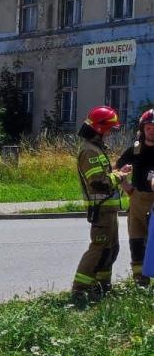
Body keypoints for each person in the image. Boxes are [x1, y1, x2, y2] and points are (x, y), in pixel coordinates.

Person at [71, 106, 131, 304]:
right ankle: (80, 291)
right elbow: (98, 183)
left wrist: (117, 171)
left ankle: (102, 287)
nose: (111, 133)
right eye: (110, 129)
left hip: (108, 210)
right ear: (99, 128)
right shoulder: (89, 150)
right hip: (101, 210)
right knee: (99, 249)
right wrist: (119, 175)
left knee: (111, 250)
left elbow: (103, 176)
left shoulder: (96, 148)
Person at [116, 107, 154, 285]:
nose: (151, 130)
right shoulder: (136, 150)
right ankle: (140, 280)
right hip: (138, 200)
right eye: (148, 128)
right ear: (142, 129)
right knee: (137, 239)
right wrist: (126, 185)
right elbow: (116, 170)